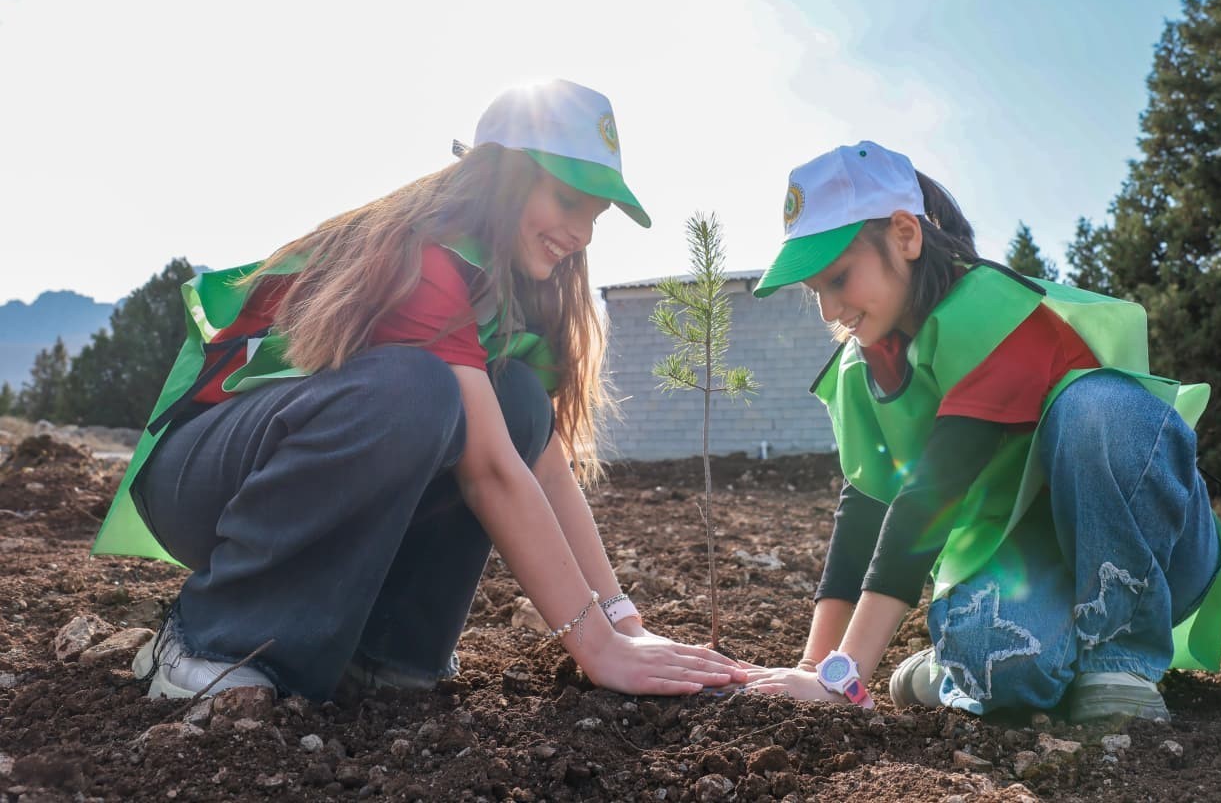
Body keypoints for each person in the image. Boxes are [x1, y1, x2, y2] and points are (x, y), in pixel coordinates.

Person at [92, 79, 746, 702]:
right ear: (501, 175)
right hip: (201, 474)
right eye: (568, 200)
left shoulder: (512, 287)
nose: (583, 232)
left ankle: (386, 654)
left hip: (281, 465)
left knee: (513, 400)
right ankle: (209, 638)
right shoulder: (426, 259)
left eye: (596, 213)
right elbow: (491, 471)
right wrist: (596, 651)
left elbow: (540, 465)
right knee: (417, 391)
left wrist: (623, 624)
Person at [742, 141, 1221, 723]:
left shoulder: (994, 316)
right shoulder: (863, 366)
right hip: (1031, 566)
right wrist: (818, 668)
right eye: (814, 290)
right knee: (999, 658)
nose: (827, 310)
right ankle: (962, 665)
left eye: (839, 278)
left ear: (905, 234)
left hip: (1152, 546)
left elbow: (929, 497)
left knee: (1098, 406)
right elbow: (865, 512)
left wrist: (847, 678)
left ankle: (1119, 663)